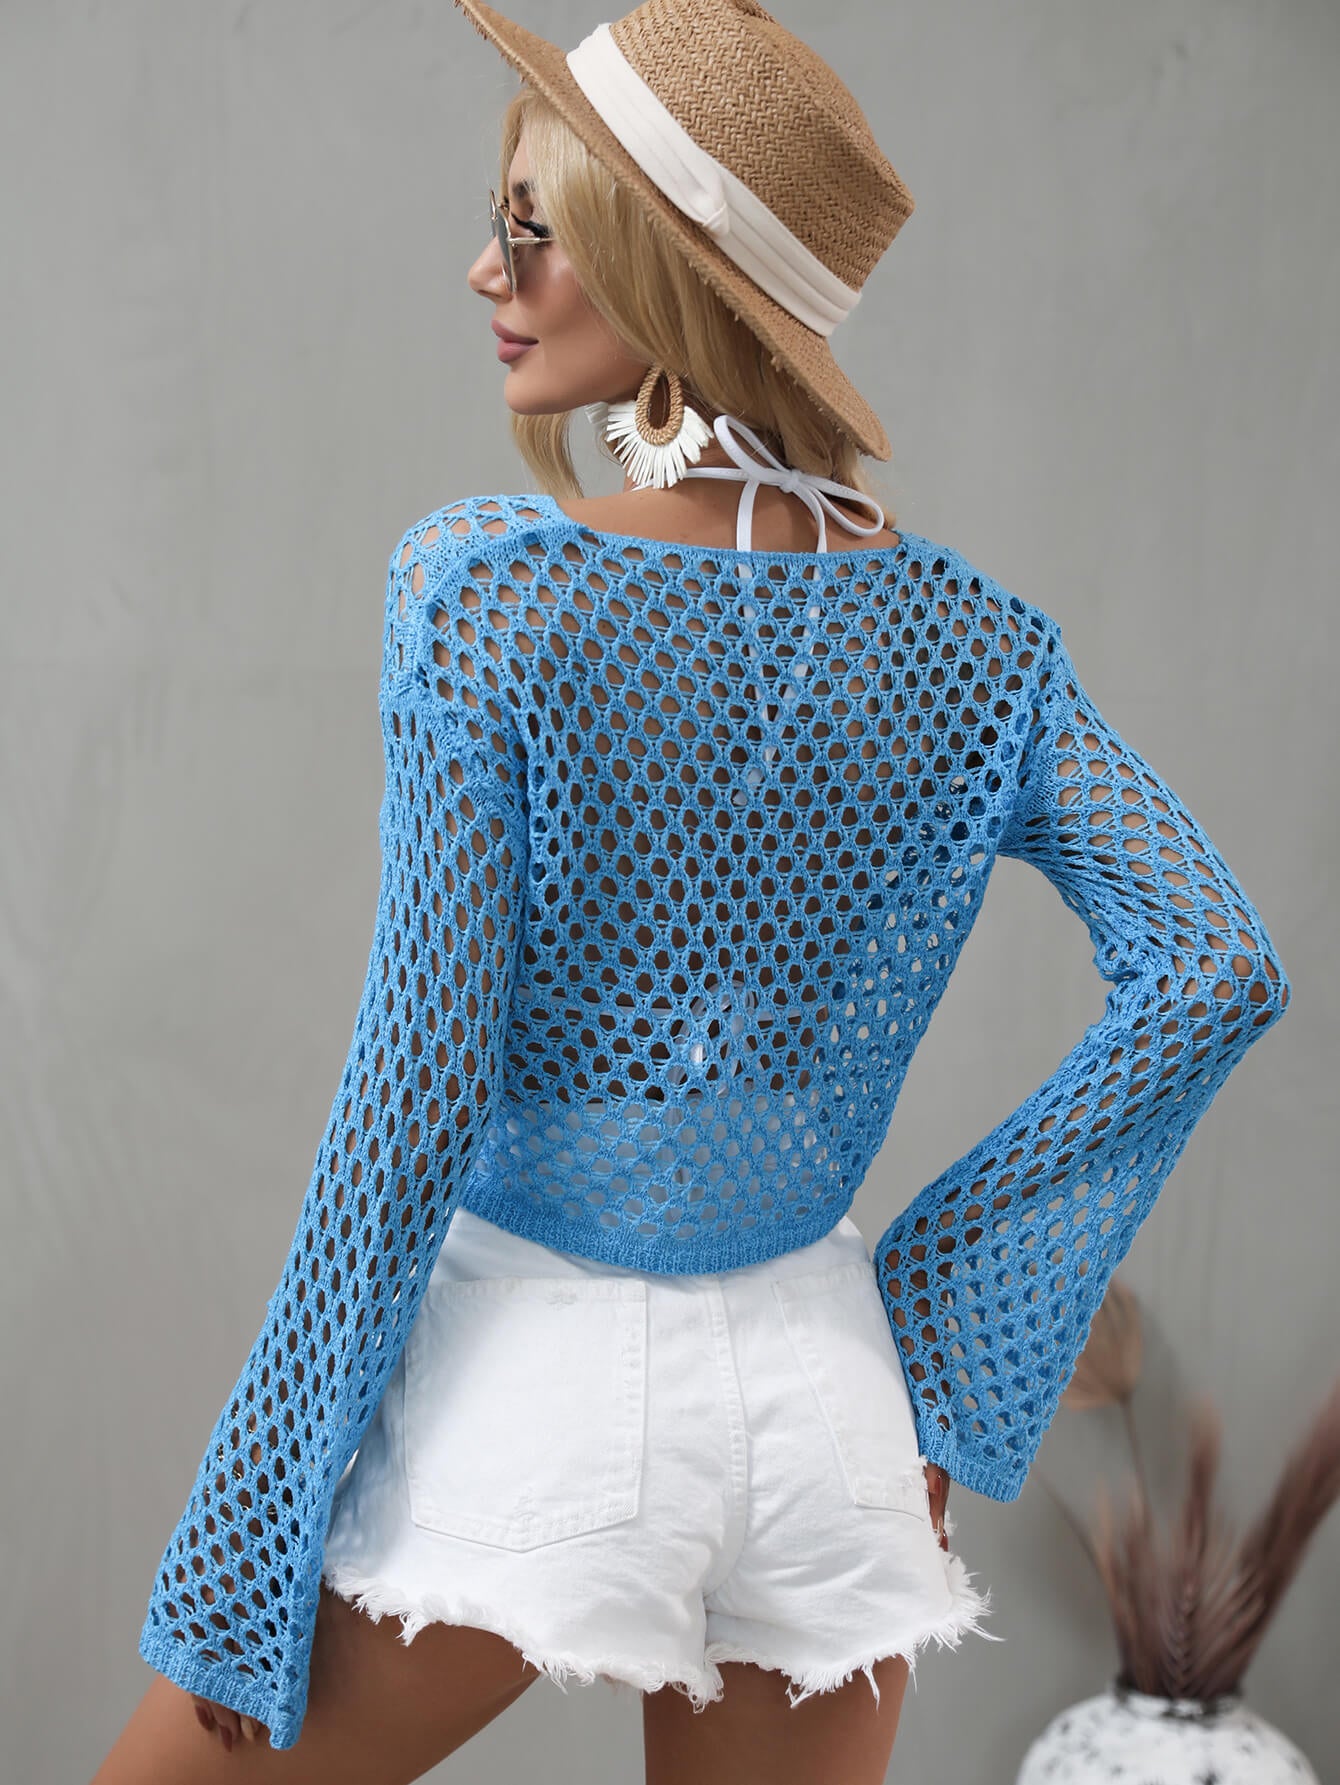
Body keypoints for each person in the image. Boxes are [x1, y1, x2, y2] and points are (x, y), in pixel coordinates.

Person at [91, 1, 1292, 1780]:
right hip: (828, 1406)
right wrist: (942, 1322)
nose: (487, 271)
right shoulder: (980, 646)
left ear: (666, 265)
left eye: (534, 228)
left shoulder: (485, 598)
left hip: (541, 1381)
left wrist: (252, 1513)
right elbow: (1217, 959)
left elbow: (412, 1098)